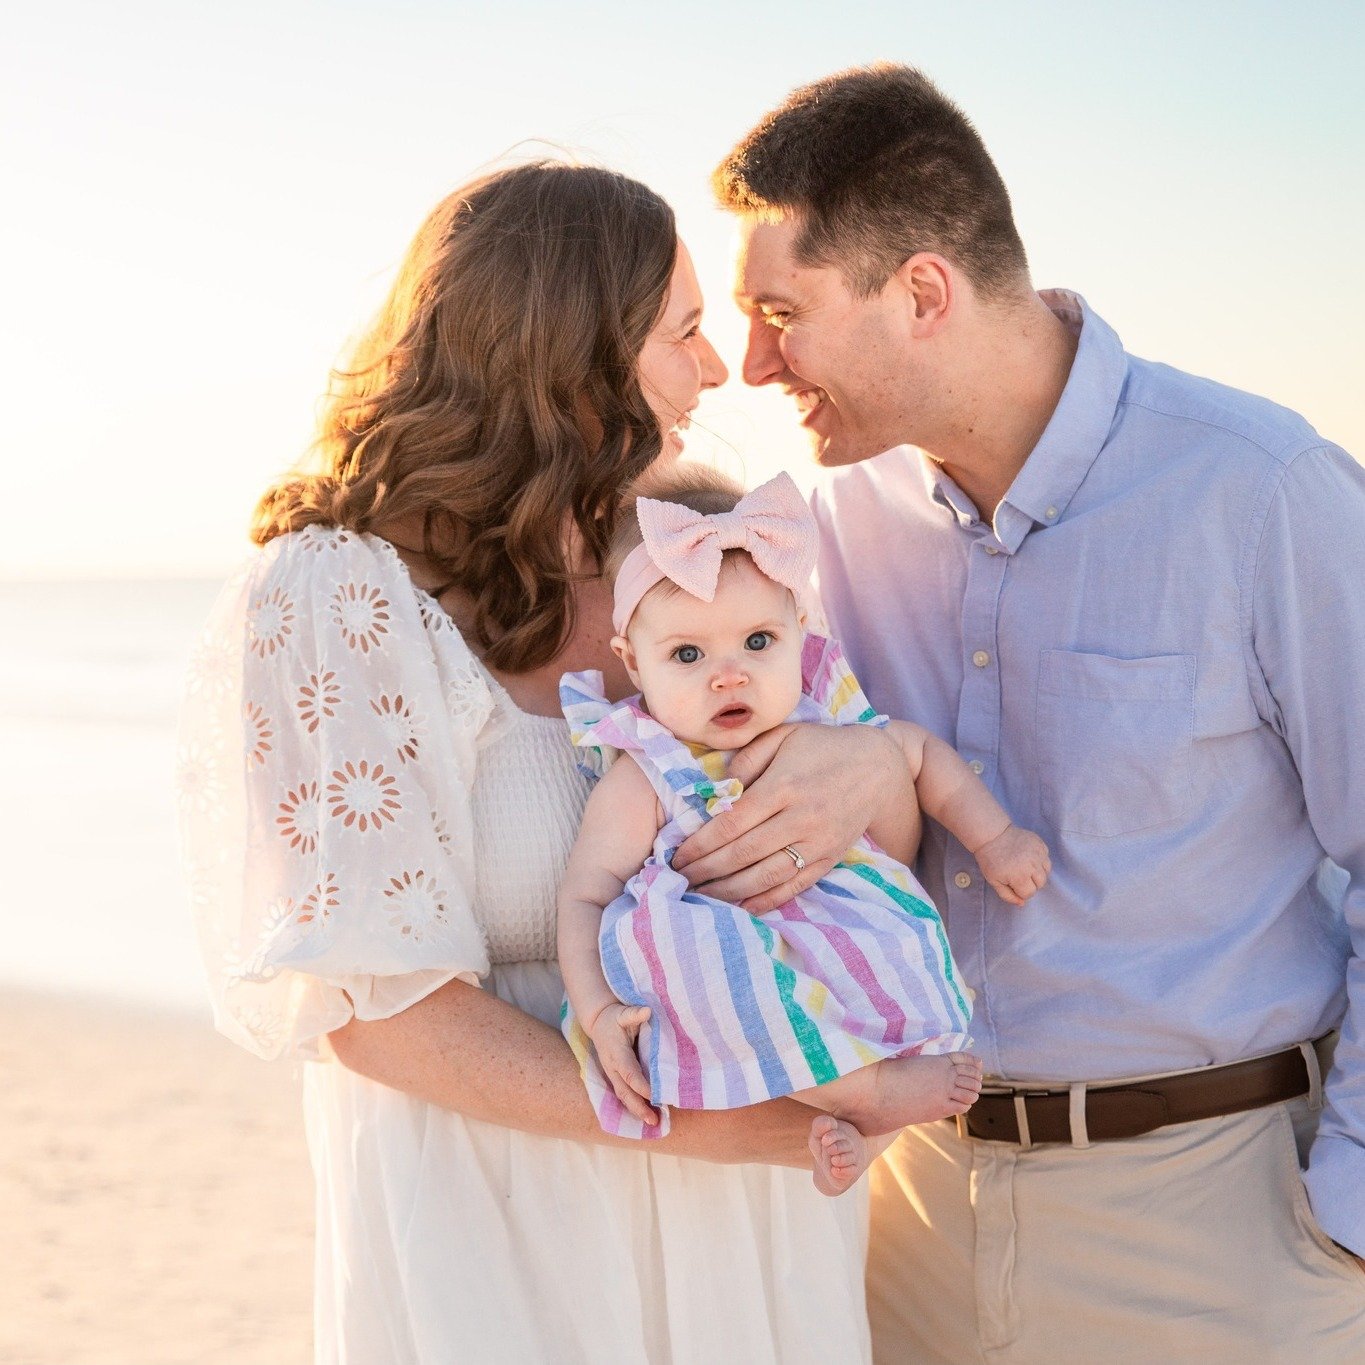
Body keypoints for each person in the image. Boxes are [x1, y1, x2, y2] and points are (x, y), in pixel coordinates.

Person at [177, 162, 908, 1363]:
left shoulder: (686, 571)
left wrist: (878, 780)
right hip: (505, 1229)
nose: (718, 371)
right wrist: (716, 1126)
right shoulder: (336, 596)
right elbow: (379, 1008)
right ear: (574, 355)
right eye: (682, 333)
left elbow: (855, 843)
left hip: (753, 1234)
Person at [696, 63, 1365, 1361]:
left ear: (923, 293)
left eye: (782, 311)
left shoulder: (1263, 490)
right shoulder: (830, 529)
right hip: (911, 1219)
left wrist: (1348, 1213)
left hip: (1218, 1232)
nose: (752, 359)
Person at [556, 468, 1050, 1194]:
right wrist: (597, 1010)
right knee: (703, 957)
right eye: (687, 656)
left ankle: (856, 1127)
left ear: (799, 632)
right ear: (631, 659)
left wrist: (995, 836)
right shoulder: (645, 770)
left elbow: (916, 754)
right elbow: (586, 895)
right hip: (724, 966)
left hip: (841, 936)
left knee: (876, 980)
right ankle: (865, 1097)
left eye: (758, 641)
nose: (729, 676)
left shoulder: (831, 723)